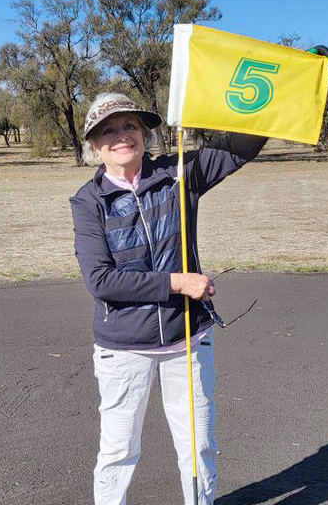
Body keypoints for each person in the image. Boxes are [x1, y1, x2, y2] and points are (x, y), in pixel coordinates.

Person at [70, 92, 267, 505]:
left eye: (129, 126)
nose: (121, 136)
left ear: (143, 133)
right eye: (108, 130)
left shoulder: (177, 174)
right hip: (124, 350)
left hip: (187, 341)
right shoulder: (88, 202)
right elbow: (102, 280)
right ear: (94, 145)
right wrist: (178, 283)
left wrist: (284, 95)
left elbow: (237, 149)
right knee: (119, 452)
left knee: (197, 449)